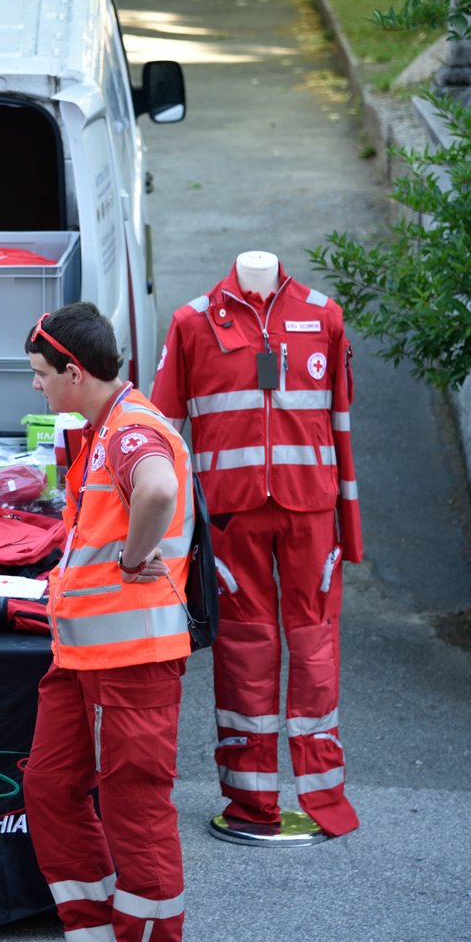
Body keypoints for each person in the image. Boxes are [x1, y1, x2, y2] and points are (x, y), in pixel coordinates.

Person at [149, 252, 361, 838]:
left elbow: (341, 422)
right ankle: (251, 803)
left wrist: (351, 523)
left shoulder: (324, 315)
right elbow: (162, 429)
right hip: (230, 515)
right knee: (244, 647)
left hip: (311, 510)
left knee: (316, 647)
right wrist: (167, 531)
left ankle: (325, 796)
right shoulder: (193, 321)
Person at [20, 305, 193, 942]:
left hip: (133, 661)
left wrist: (132, 558)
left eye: (40, 375)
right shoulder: (103, 431)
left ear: (73, 371)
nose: (36, 387)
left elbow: (156, 488)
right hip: (87, 658)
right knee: (50, 787)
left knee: (136, 808)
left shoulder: (130, 429)